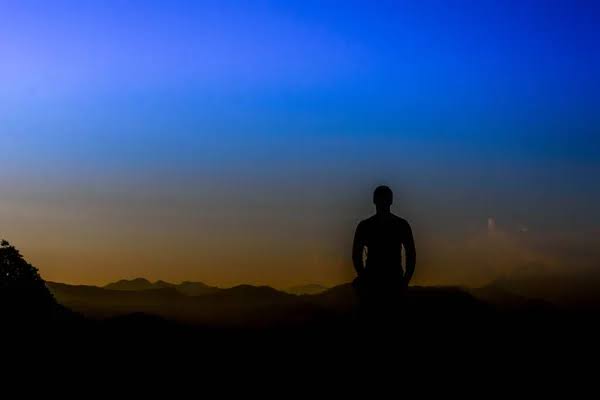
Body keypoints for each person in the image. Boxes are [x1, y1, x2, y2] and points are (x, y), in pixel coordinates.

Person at [352, 185, 416, 312]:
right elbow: (411, 255)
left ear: (374, 200)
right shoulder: (401, 225)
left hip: (377, 281)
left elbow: (356, 256)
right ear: (391, 200)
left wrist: (363, 277)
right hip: (392, 281)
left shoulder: (365, 226)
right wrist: (405, 281)